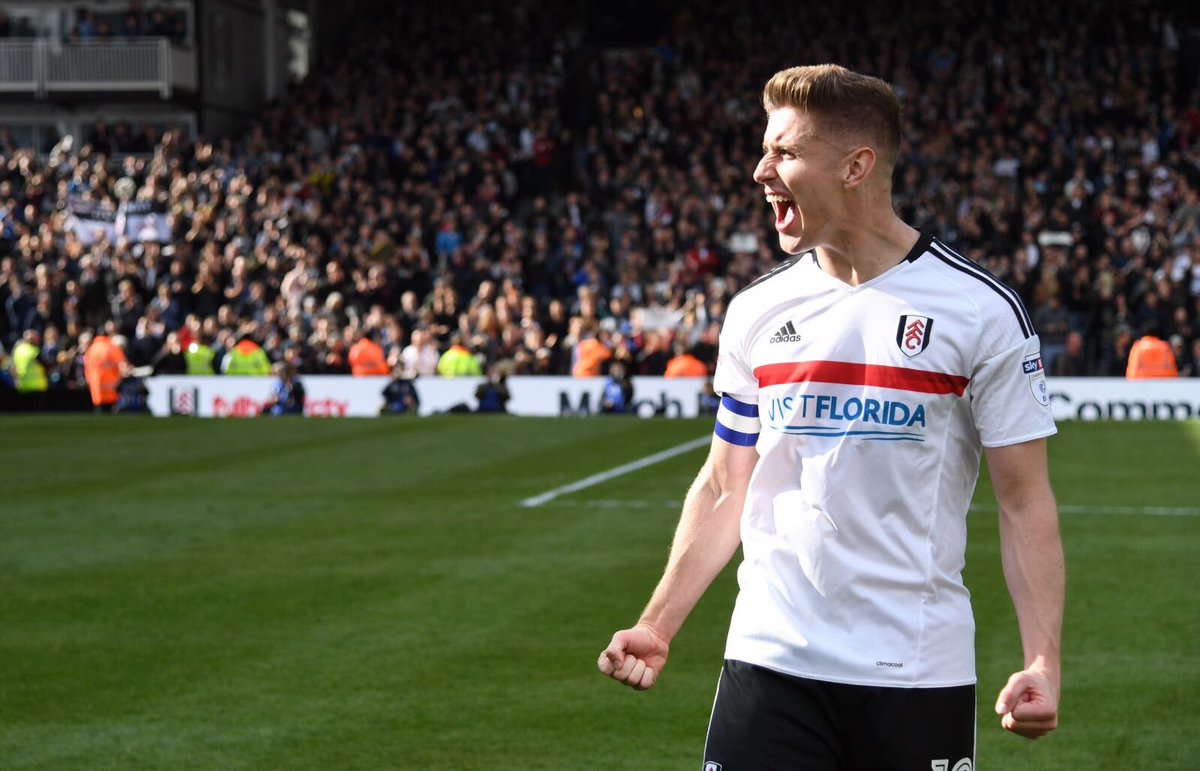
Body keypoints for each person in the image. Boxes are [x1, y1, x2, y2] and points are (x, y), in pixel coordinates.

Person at [598, 64, 1064, 770]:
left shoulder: (981, 313)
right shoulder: (756, 311)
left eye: (784, 152)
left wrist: (1042, 660)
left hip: (916, 671)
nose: (761, 170)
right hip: (769, 661)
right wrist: (657, 623)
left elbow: (1024, 499)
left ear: (856, 166)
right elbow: (726, 484)